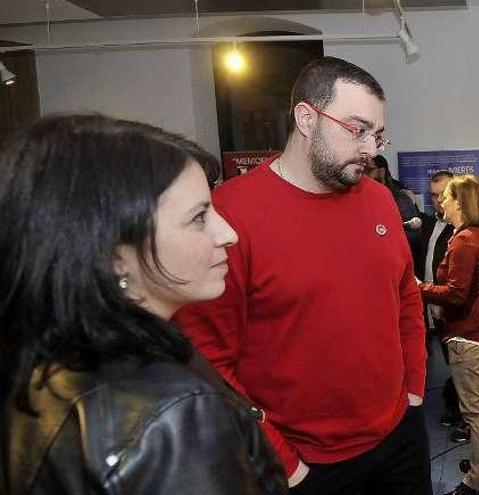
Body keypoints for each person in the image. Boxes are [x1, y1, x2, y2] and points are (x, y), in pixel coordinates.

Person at [174, 56, 430, 494]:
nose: (371, 149)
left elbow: (405, 293)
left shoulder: (380, 200)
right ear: (306, 118)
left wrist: (415, 390)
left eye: (378, 134)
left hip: (399, 438)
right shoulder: (232, 215)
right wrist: (284, 462)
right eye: (357, 129)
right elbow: (207, 358)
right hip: (304, 463)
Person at [0, 114, 287, 494]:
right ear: (113, 253)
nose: (228, 234)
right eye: (199, 217)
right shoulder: (174, 415)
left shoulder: (38, 361)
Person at [420, 175, 479, 495]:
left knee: (475, 412)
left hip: (468, 334)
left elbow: (455, 295)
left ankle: (476, 483)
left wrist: (420, 289)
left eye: (447, 198)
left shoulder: (465, 240)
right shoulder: (478, 236)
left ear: (460, 203)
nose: (442, 202)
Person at [415, 170, 462, 429]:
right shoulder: (430, 224)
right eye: (433, 195)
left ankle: (461, 416)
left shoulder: (465, 231)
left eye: (442, 195)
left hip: (452, 307)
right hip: (431, 305)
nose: (438, 200)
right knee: (449, 361)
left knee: (459, 365)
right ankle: (455, 406)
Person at [369, 154, 421, 255]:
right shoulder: (366, 194)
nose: (365, 175)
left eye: (370, 170)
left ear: (382, 171)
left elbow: (413, 235)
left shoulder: (400, 196)